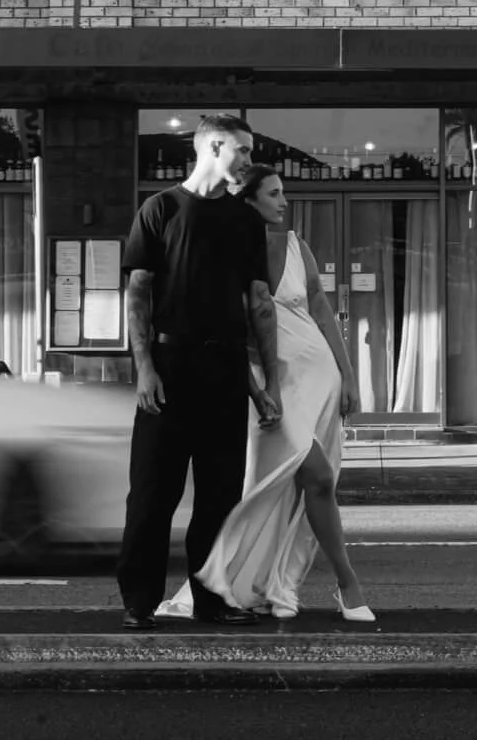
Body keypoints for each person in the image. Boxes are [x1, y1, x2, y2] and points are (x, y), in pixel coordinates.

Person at [155, 164, 374, 623]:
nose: (284, 202)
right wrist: (256, 389)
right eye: (274, 194)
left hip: (318, 380)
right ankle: (342, 582)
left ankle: (305, 585)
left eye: (283, 193)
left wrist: (348, 374)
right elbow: (230, 333)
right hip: (269, 384)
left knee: (318, 482)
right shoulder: (225, 254)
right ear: (248, 200)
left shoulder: (296, 245)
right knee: (305, 477)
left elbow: (321, 310)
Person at [116, 114, 282, 630]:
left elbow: (258, 303)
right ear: (213, 146)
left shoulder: (245, 220)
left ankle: (209, 600)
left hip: (226, 367)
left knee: (219, 496)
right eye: (243, 151)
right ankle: (139, 604)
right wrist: (144, 369)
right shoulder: (160, 209)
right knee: (152, 494)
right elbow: (138, 293)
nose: (249, 161)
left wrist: (264, 386)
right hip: (169, 365)